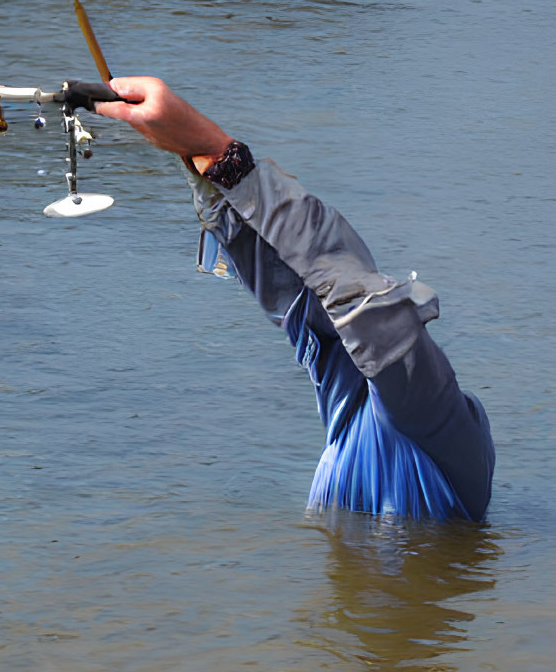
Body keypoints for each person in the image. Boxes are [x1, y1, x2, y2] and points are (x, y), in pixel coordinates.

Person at [95, 76, 495, 522]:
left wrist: (217, 149)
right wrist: (197, 157)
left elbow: (363, 304)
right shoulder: (346, 387)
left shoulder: (445, 431)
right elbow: (291, 288)